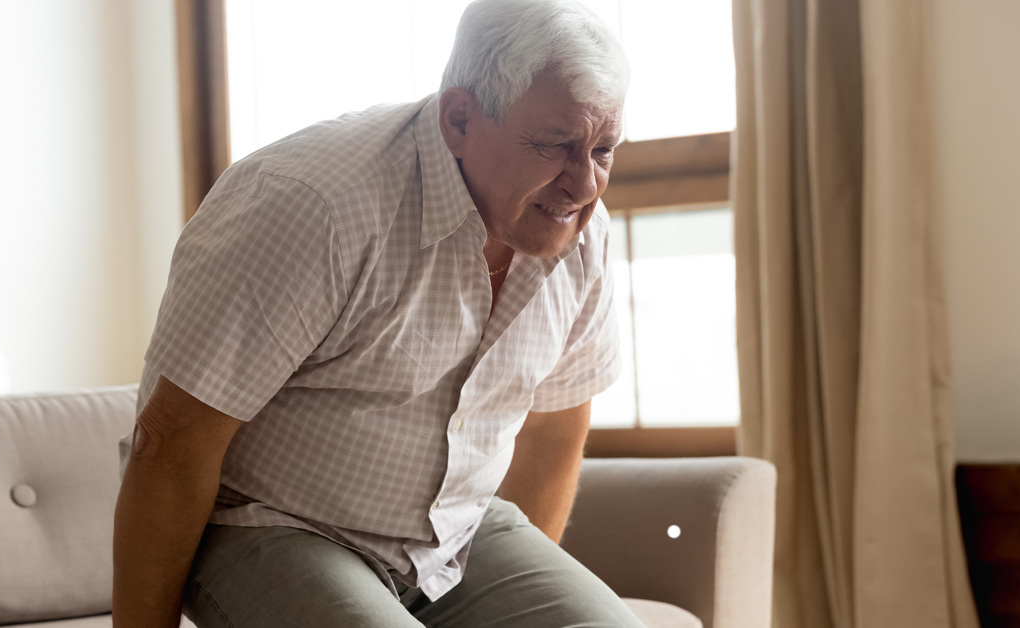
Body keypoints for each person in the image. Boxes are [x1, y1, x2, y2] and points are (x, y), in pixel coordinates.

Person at [113, 0, 644, 626]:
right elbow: (171, 442)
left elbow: (556, 424)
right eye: (555, 145)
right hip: (271, 524)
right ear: (459, 118)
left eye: (604, 149)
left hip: (457, 530)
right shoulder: (311, 205)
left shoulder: (583, 233)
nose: (584, 184)